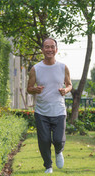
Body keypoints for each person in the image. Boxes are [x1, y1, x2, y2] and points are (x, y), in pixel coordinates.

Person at [27, 38, 72, 174]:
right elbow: (29, 88)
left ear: (56, 50)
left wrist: (66, 90)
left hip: (58, 110)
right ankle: (48, 166)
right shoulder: (36, 69)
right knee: (44, 140)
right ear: (42, 50)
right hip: (42, 112)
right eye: (46, 47)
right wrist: (35, 90)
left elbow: (69, 84)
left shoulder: (63, 67)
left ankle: (59, 151)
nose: (49, 49)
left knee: (58, 139)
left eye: (52, 47)